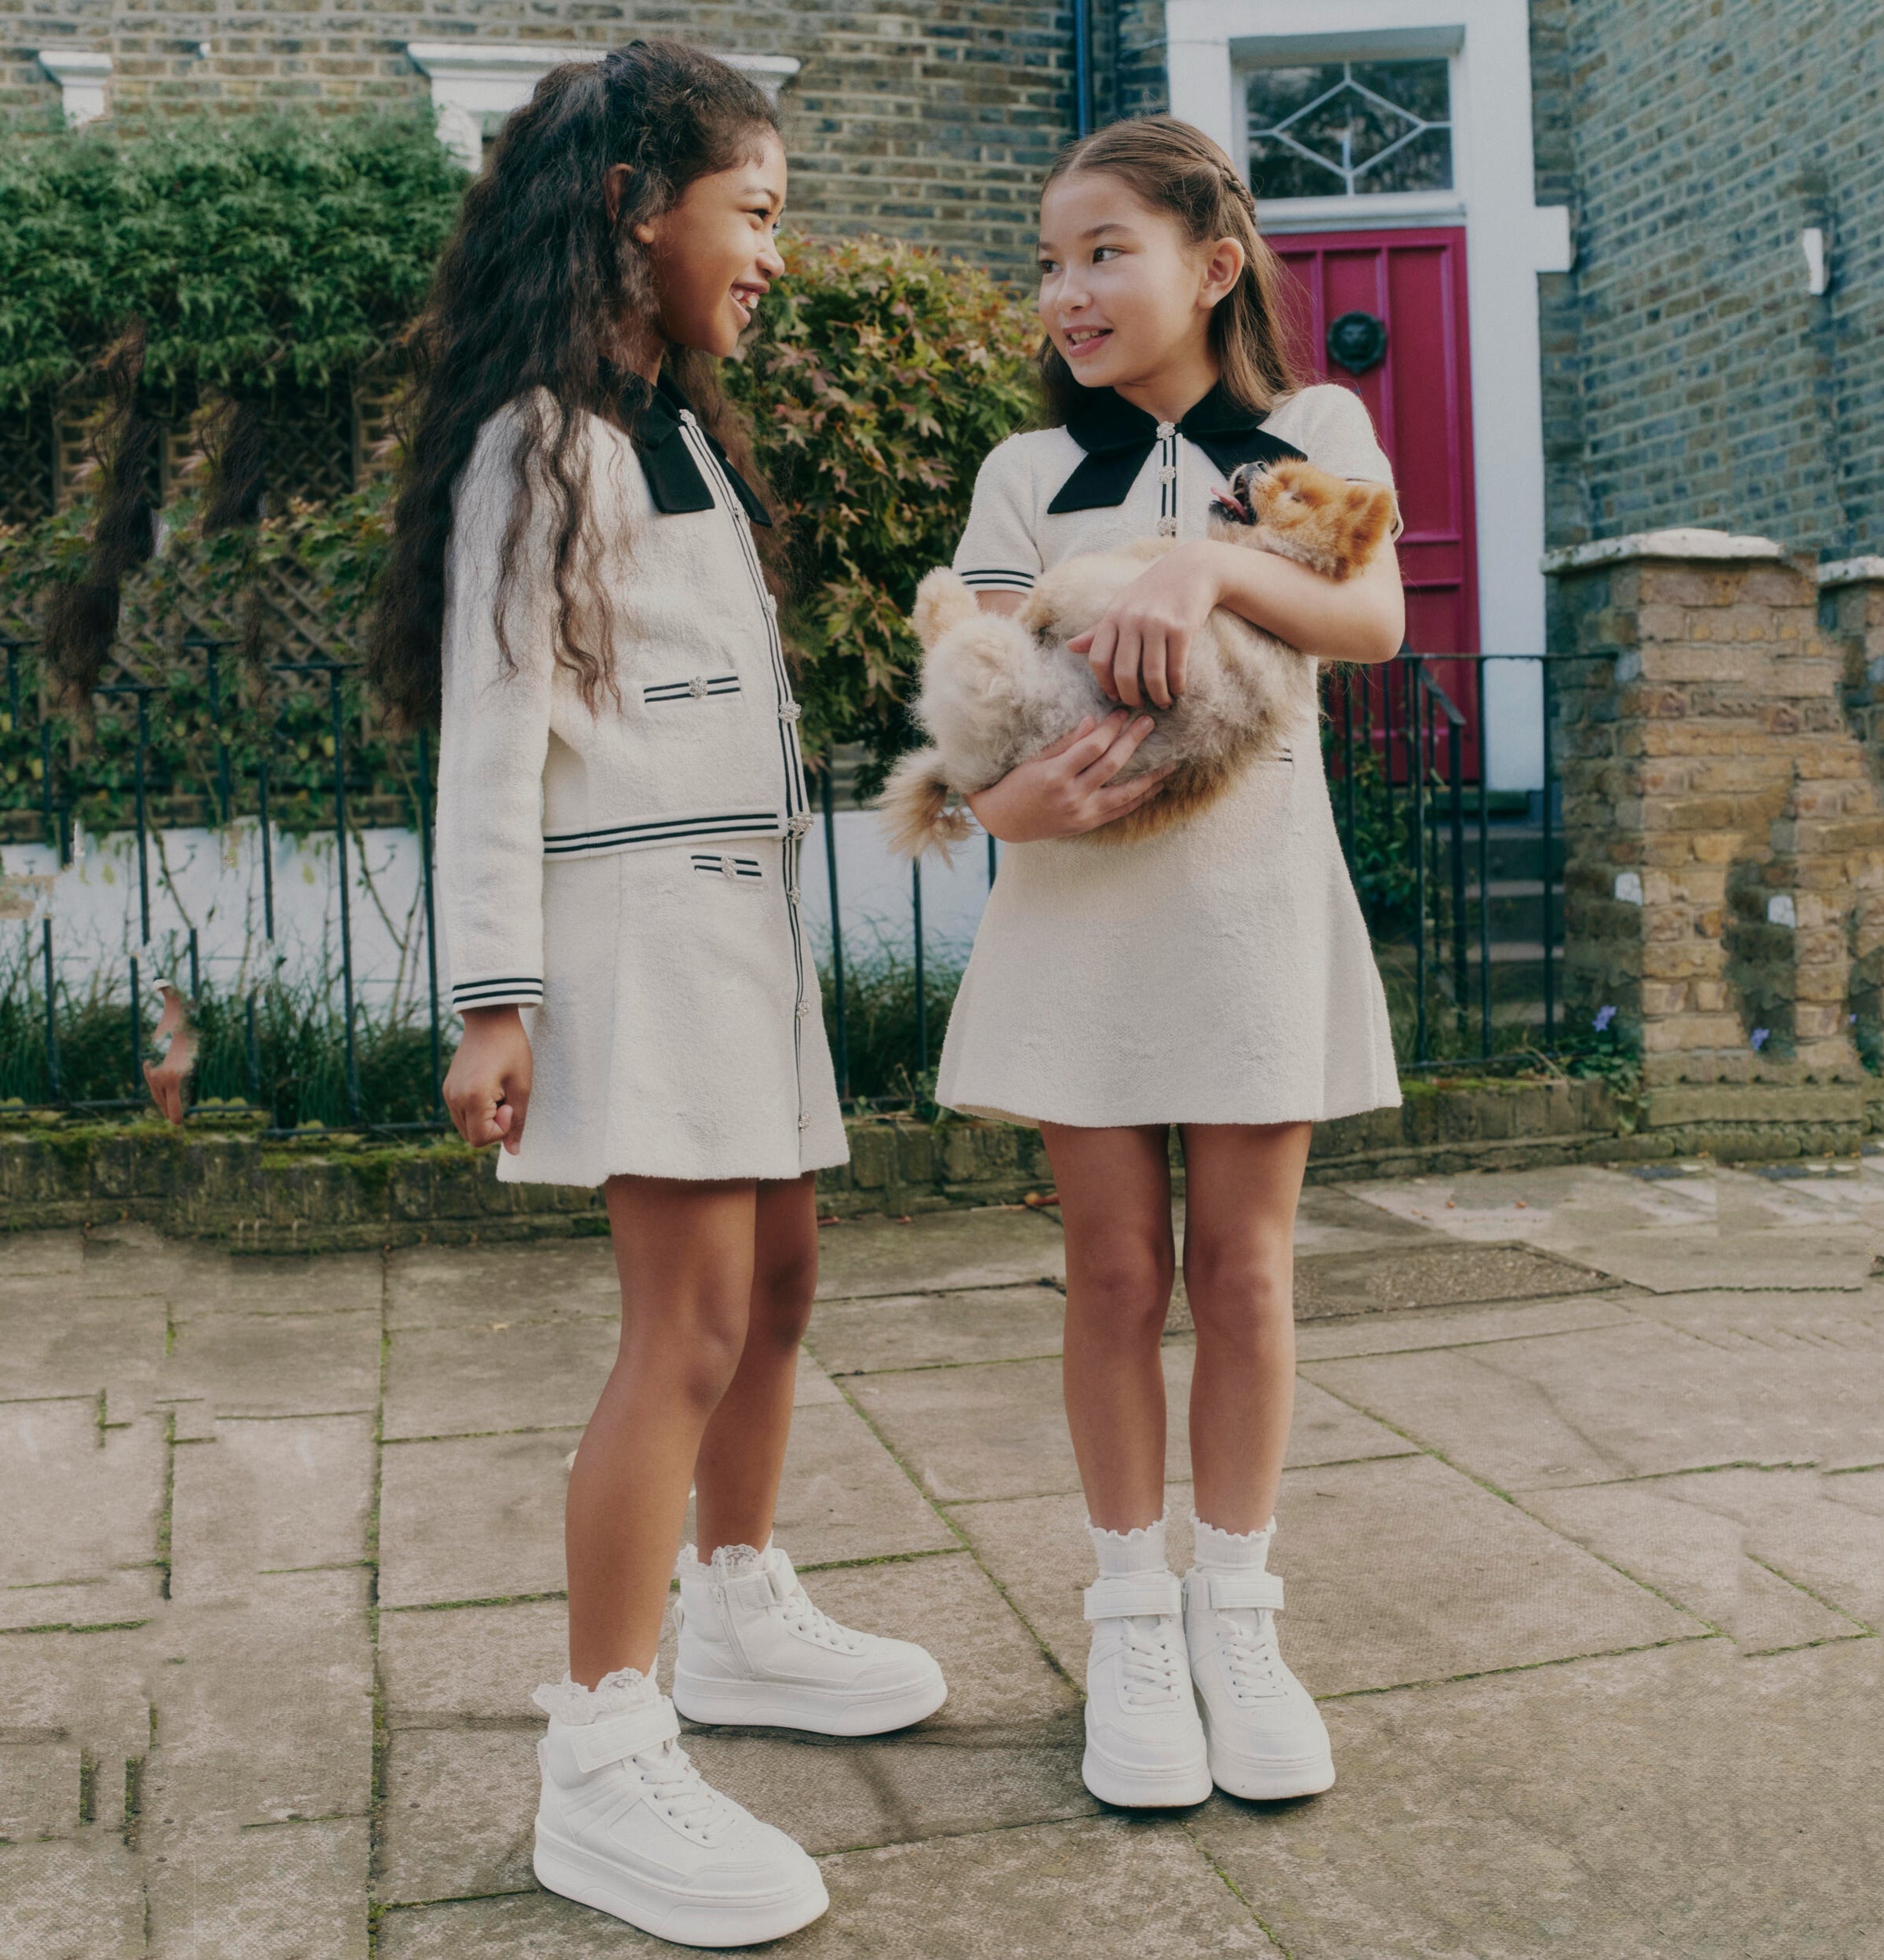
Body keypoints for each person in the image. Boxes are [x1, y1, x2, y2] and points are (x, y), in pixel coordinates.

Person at [368, 42, 944, 1947]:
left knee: (780, 1279)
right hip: (631, 939)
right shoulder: (542, 439)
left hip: (740, 934)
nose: (773, 253)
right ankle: (600, 1759)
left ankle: (736, 1606)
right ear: (635, 208)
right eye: (755, 212)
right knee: (681, 1324)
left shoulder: (675, 425)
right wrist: (492, 999)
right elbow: (492, 734)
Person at [936, 116, 1405, 1808]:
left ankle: (1238, 1615)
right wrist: (1008, 799)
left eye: (1102, 252)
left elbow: (1368, 618)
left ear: (1212, 265)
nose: (1065, 290)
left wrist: (1202, 555)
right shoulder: (1018, 472)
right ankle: (1129, 1613)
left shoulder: (1298, 431)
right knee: (1116, 1272)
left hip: (1248, 904)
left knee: (1248, 1276)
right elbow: (973, 695)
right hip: (1077, 914)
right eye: (1050, 260)